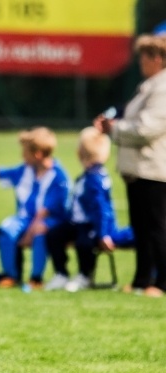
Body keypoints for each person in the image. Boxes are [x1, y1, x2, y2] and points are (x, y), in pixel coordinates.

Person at [95, 31, 166, 297]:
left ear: (158, 58)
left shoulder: (162, 88)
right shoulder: (150, 85)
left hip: (155, 169)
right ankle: (142, 280)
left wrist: (114, 128)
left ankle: (161, 283)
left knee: (158, 229)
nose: (141, 63)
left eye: (145, 58)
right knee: (142, 229)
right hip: (139, 169)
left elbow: (147, 128)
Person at [0, 127, 71, 289]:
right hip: (24, 219)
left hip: (48, 221)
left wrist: (30, 232)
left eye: (25, 152)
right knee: (7, 230)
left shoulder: (59, 177)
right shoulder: (24, 171)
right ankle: (11, 276)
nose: (22, 156)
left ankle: (36, 278)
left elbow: (47, 211)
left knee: (40, 233)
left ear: (37, 154)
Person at [45, 127, 135, 292]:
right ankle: (61, 274)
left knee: (84, 243)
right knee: (53, 235)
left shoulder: (95, 179)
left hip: (93, 226)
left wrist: (103, 234)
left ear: (79, 153)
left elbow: (102, 210)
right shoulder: (87, 175)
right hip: (77, 223)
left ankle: (84, 275)